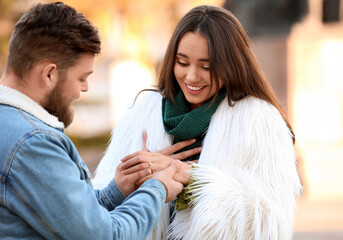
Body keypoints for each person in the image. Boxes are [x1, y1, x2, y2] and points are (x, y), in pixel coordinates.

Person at [0, 2, 198, 239]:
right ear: (50, 74)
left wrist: (114, 192)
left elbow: (63, 219)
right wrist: (157, 188)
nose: (85, 88)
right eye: (82, 78)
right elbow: (106, 236)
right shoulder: (31, 143)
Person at [93, 5, 302, 240]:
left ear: (230, 65)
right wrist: (133, 180)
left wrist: (189, 177)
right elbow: (95, 211)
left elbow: (270, 220)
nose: (192, 77)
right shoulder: (143, 113)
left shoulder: (259, 121)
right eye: (182, 63)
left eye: (207, 67)